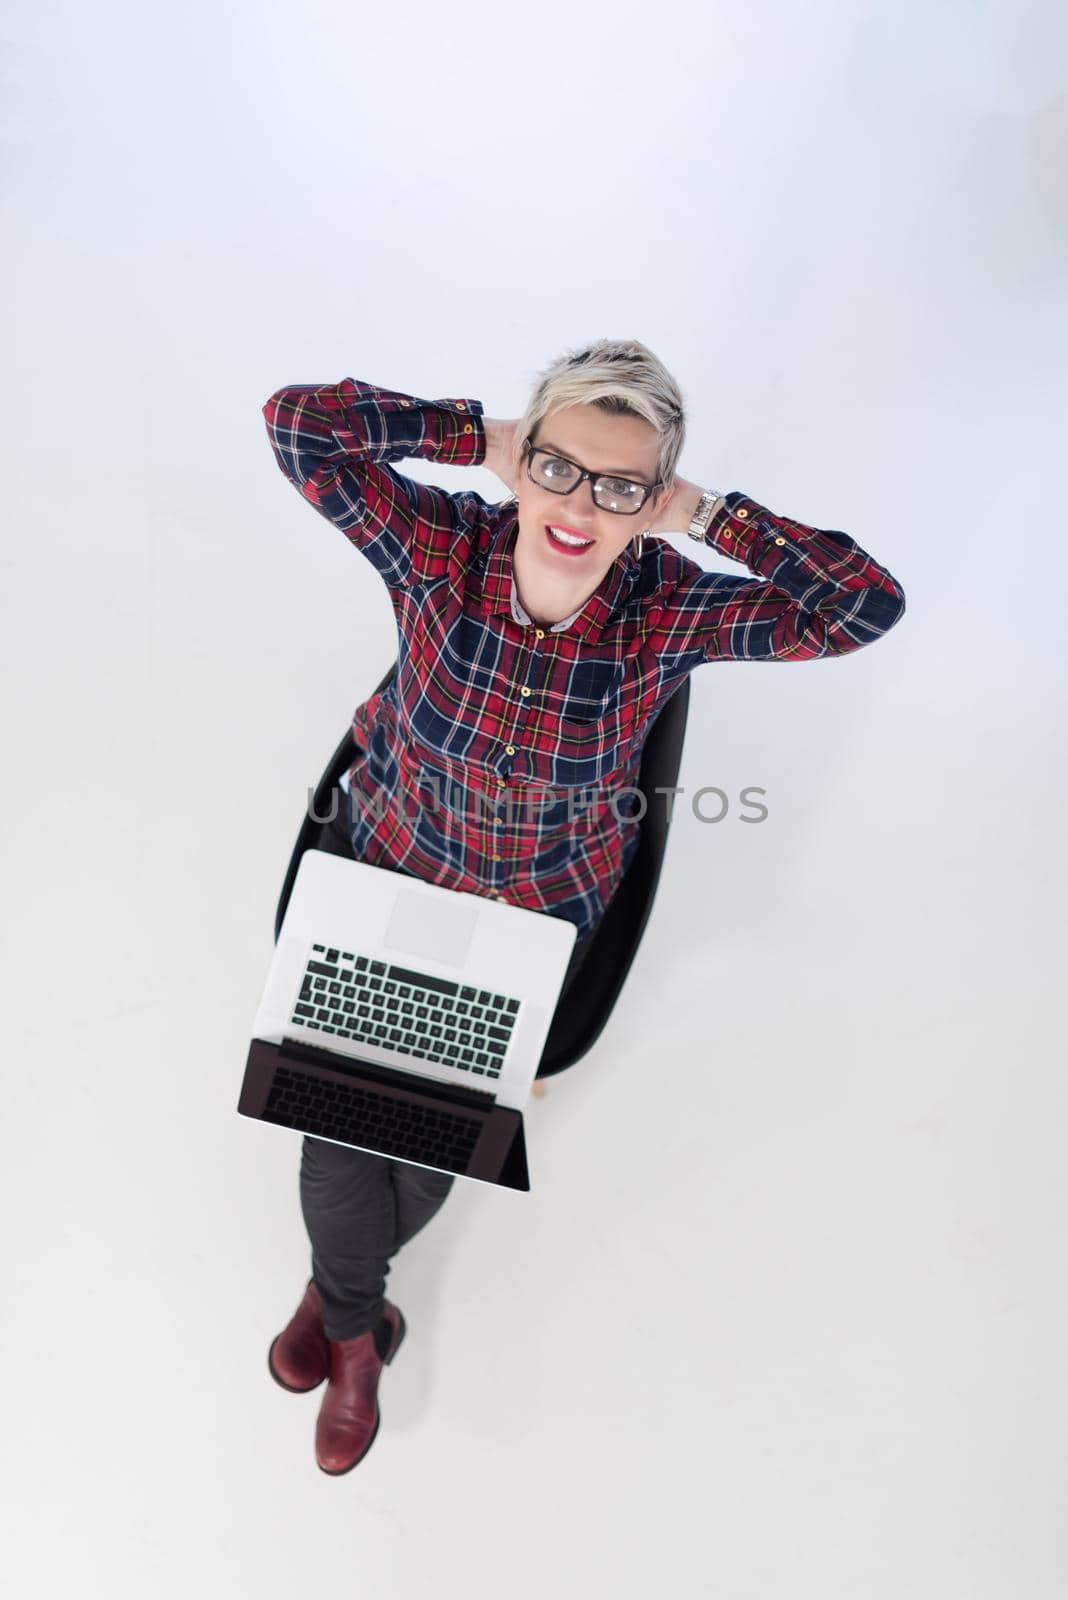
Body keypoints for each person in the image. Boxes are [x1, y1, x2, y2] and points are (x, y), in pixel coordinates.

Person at [258, 337, 908, 1475]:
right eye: (560, 468)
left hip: (526, 931)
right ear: (525, 458)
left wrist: (706, 514)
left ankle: (338, 1296)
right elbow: (298, 423)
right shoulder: (438, 547)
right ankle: (359, 1334)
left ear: (651, 501)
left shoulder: (667, 612)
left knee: (426, 1147)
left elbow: (863, 607)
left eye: (622, 486)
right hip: (391, 877)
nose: (581, 506)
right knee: (340, 1138)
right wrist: (474, 440)